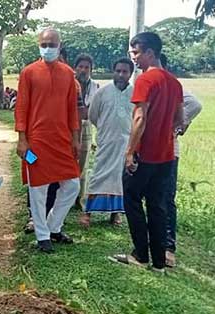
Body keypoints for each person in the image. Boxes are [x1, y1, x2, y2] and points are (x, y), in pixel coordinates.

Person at [111, 32, 183, 273]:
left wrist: (130, 152)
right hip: (166, 156)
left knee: (131, 199)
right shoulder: (174, 83)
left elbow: (140, 117)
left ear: (150, 53)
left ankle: (140, 254)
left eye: (136, 53)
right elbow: (180, 120)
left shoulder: (145, 80)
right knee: (157, 206)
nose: (133, 58)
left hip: (145, 155)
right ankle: (159, 262)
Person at [15, 28, 82, 253]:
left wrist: (75, 138)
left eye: (52, 44)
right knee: (38, 189)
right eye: (44, 44)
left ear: (60, 46)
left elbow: (72, 109)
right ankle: (43, 236)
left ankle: (54, 226)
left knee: (72, 185)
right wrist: (22, 139)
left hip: (62, 140)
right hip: (36, 142)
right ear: (38, 44)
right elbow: (22, 107)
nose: (48, 48)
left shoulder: (68, 73)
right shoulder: (28, 72)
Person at [159, 53, 203, 267]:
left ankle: (168, 247)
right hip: (146, 150)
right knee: (148, 198)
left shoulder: (173, 87)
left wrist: (178, 123)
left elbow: (195, 104)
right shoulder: (147, 85)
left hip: (168, 150)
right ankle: (150, 244)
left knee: (166, 198)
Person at [82, 58, 135, 227]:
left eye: (124, 71)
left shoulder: (135, 93)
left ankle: (116, 214)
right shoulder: (103, 92)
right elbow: (93, 115)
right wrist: (105, 129)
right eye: (118, 71)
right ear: (114, 71)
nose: (120, 75)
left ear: (130, 74)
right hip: (106, 142)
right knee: (99, 175)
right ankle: (87, 213)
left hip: (125, 143)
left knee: (120, 179)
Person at [73, 54, 100, 224]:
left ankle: (79, 199)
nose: (83, 70)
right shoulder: (69, 83)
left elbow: (92, 111)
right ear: (75, 67)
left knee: (82, 164)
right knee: (68, 162)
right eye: (81, 66)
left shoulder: (95, 86)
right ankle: (65, 197)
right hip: (69, 127)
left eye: (87, 67)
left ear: (91, 70)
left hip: (86, 127)